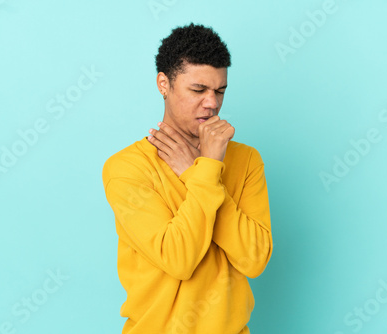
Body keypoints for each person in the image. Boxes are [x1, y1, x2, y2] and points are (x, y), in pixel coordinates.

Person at [102, 22, 273, 334]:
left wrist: (199, 169)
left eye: (220, 91)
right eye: (198, 90)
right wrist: (206, 170)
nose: (212, 103)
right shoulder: (126, 168)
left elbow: (255, 259)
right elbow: (179, 260)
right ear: (163, 84)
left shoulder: (247, 160)